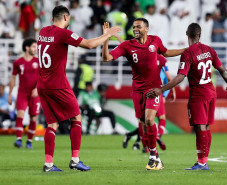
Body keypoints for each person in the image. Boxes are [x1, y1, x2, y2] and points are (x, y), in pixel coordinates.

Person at [37, 5, 121, 172]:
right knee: (76, 118)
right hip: (58, 84)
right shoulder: (64, 33)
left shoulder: (43, 32)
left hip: (42, 85)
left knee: (52, 124)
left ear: (53, 18)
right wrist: (107, 35)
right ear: (66, 18)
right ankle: (75, 160)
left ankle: (48, 164)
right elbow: (89, 45)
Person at [102, 18, 186, 170]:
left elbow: (166, 52)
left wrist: (184, 50)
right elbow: (106, 58)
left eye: (138, 27)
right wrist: (106, 38)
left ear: (146, 29)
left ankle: (153, 157)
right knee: (144, 124)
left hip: (154, 89)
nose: (135, 29)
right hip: (137, 91)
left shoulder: (155, 41)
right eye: (134, 27)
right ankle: (155, 157)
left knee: (149, 120)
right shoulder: (127, 45)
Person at [147, 23, 227, 170]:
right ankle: (203, 161)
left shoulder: (188, 53)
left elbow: (181, 77)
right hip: (211, 93)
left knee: (200, 127)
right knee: (206, 127)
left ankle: (201, 163)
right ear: (200, 35)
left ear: (187, 33)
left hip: (199, 94)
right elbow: (222, 70)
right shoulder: (209, 50)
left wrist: (161, 89)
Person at [123, 55, 176, 152]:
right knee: (161, 118)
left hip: (139, 92)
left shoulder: (142, 58)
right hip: (156, 92)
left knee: (142, 121)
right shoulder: (161, 62)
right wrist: (170, 92)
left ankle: (146, 146)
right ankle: (158, 135)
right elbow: (168, 79)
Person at [7, 38, 40, 149]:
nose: (35, 49)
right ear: (27, 47)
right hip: (22, 92)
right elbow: (13, 78)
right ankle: (19, 140)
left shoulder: (38, 62)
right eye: (34, 46)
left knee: (33, 118)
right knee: (20, 114)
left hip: (34, 94)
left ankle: (29, 141)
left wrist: (37, 88)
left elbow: (43, 77)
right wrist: (10, 94)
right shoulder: (18, 62)